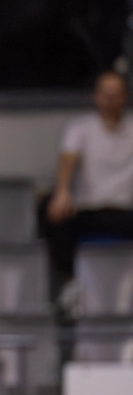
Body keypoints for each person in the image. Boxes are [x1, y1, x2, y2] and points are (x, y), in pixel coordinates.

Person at [44, 71, 133, 279]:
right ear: (96, 96)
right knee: (52, 215)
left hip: (126, 211)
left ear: (125, 97)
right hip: (89, 210)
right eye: (105, 94)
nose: (110, 100)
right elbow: (68, 160)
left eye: (115, 94)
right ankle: (71, 281)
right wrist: (63, 190)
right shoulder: (80, 128)